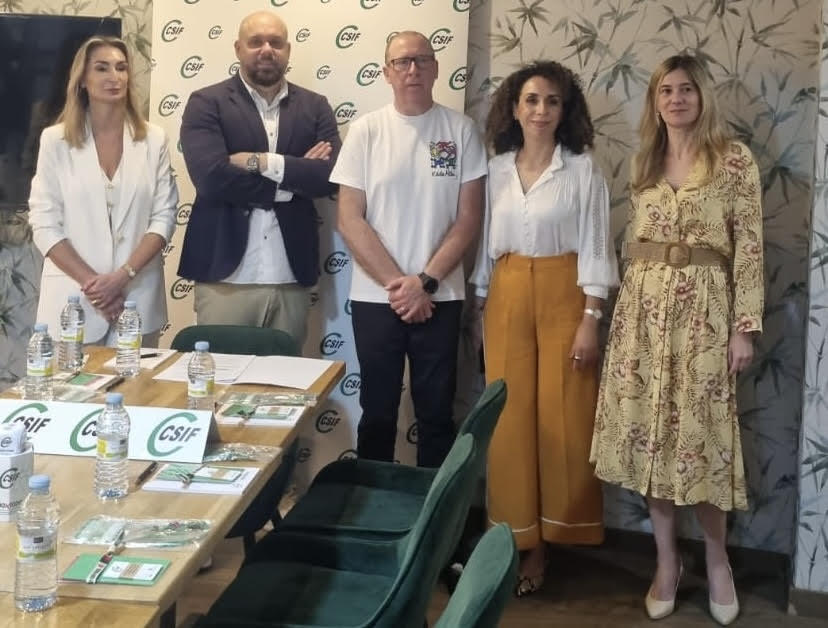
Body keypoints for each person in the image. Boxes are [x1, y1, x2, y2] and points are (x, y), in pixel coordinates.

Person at [590, 55, 763, 625]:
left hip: (706, 316)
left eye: (686, 89)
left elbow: (750, 248)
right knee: (651, 442)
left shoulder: (733, 160)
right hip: (642, 316)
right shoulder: (643, 160)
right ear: (655, 100)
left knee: (705, 440)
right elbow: (629, 244)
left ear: (702, 96)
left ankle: (717, 561)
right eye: (666, 90)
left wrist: (744, 328)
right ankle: (666, 562)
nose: (676, 99)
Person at [470, 61, 619, 596]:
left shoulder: (581, 170)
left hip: (565, 294)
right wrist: (480, 309)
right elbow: (485, 245)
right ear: (515, 108)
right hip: (506, 293)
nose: (541, 110)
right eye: (531, 100)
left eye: (552, 101)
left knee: (564, 415)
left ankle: (548, 543)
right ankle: (512, 537)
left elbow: (597, 248)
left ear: (564, 110)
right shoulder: (494, 170)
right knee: (508, 418)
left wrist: (590, 320)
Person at [332, 31, 487, 468]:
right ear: (387, 72)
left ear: (436, 68)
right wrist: (402, 287)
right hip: (377, 298)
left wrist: (426, 283)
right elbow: (349, 218)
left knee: (437, 415)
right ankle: (372, 502)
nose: (412, 69)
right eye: (402, 62)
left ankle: (432, 510)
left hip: (441, 297)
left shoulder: (460, 130)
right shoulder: (365, 131)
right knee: (377, 413)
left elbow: (468, 219)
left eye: (422, 60)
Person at [177, 10, 340, 349]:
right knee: (219, 377)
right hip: (224, 278)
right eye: (256, 42)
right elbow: (211, 178)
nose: (267, 50)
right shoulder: (207, 102)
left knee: (285, 380)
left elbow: (328, 177)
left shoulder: (315, 106)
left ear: (288, 50)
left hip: (290, 278)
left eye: (276, 43)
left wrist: (262, 162)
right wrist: (293, 181)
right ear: (238, 48)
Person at [28, 36, 177, 347]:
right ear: (82, 80)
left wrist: (122, 277)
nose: (114, 76)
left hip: (136, 300)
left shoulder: (154, 139)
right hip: (73, 303)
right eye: (102, 68)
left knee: (138, 380)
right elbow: (44, 224)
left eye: (121, 68)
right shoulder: (55, 141)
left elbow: (163, 217)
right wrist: (96, 288)